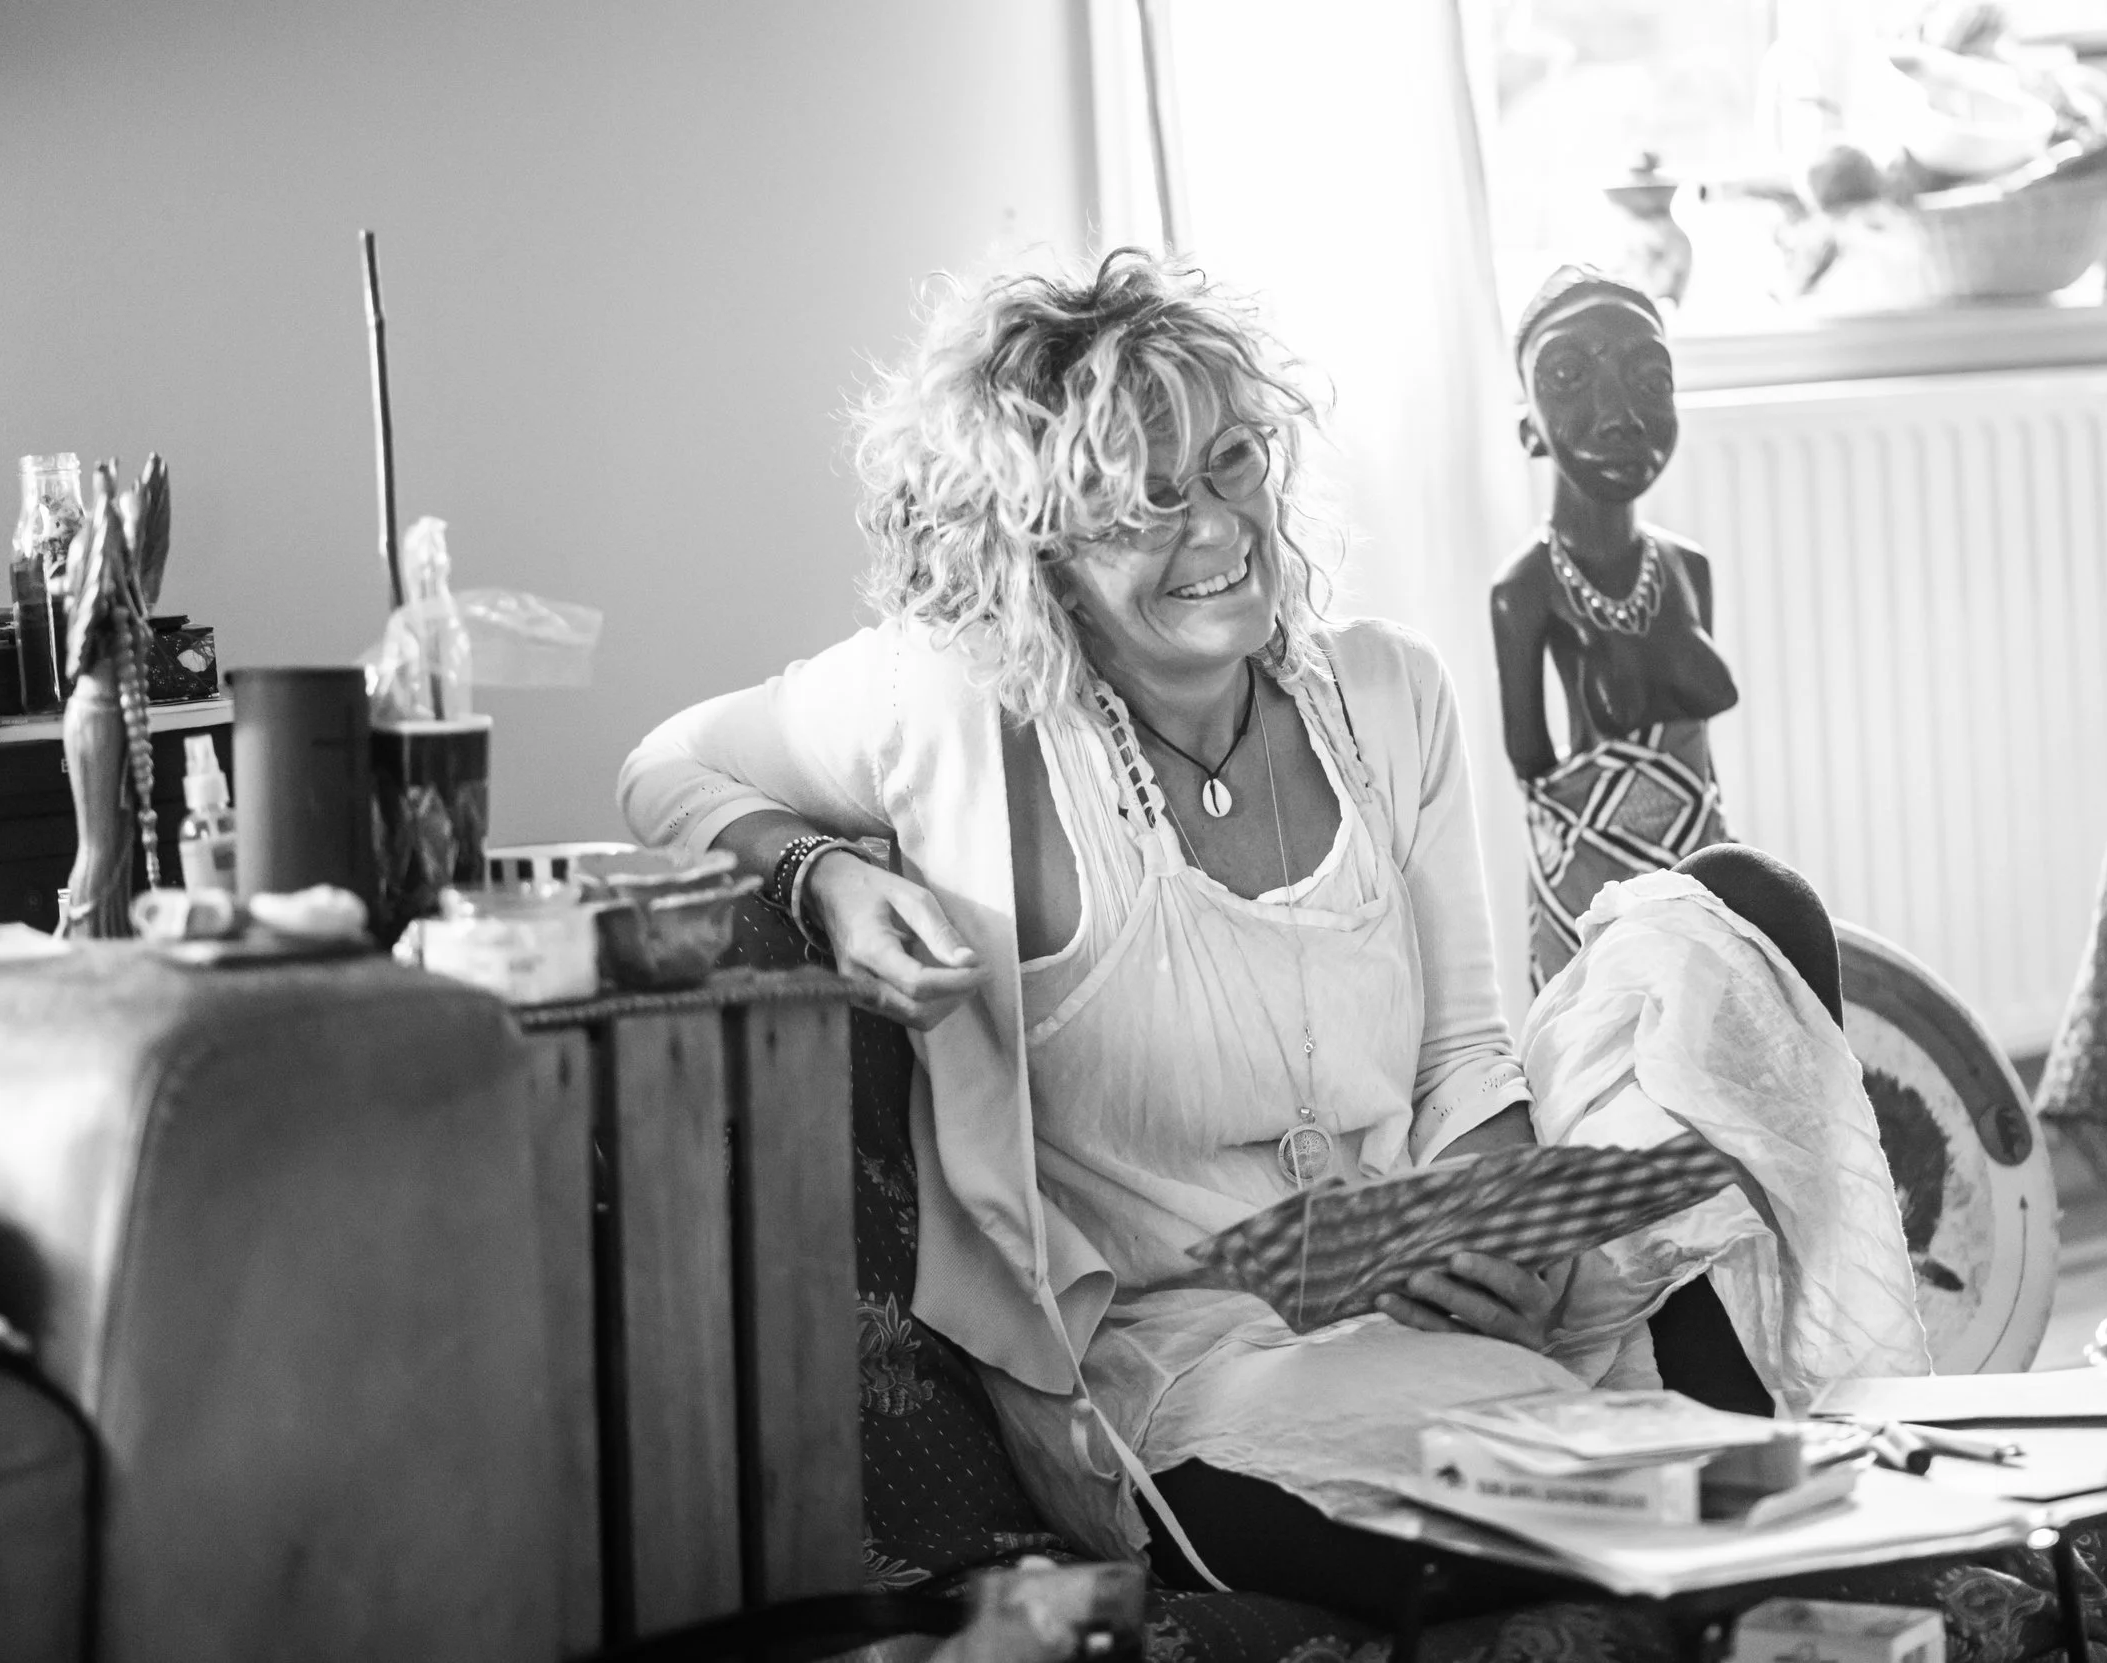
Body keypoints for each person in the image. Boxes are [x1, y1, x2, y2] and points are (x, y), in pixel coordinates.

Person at [619, 249, 1925, 1618]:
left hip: (1415, 1284)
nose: (1217, 529)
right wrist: (821, 873)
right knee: (1557, 1463)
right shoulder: (952, 716)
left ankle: (1736, 1480)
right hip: (1197, 1368)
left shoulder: (1387, 689)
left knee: (1725, 924)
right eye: (1147, 500)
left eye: (1232, 462)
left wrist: (1508, 1245)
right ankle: (1747, 1516)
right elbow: (664, 765)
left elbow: (1464, 1057)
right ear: (1036, 542)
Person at [1490, 266, 1741, 991]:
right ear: (1530, 429)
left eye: (1649, 379)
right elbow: (1532, 763)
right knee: (1605, 1036)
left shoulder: (1686, 567)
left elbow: (1703, 747)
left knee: (1717, 1016)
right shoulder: (1524, 592)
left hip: (1698, 862)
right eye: (1569, 376)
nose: (1620, 414)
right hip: (1594, 886)